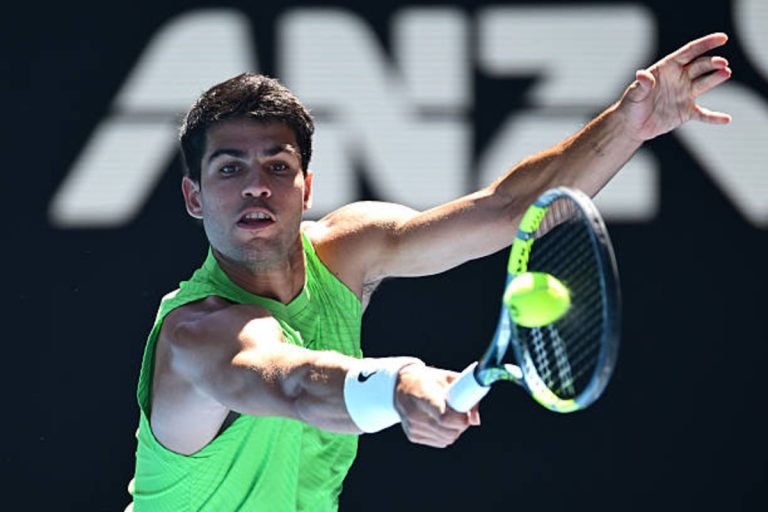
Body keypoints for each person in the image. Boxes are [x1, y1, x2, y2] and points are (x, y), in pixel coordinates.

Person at [127, 32, 732, 511]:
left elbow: (507, 210)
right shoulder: (194, 335)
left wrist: (629, 125)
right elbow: (294, 383)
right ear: (194, 197)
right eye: (229, 168)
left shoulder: (345, 252)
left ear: (307, 188)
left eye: (278, 167)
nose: (257, 186)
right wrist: (399, 383)